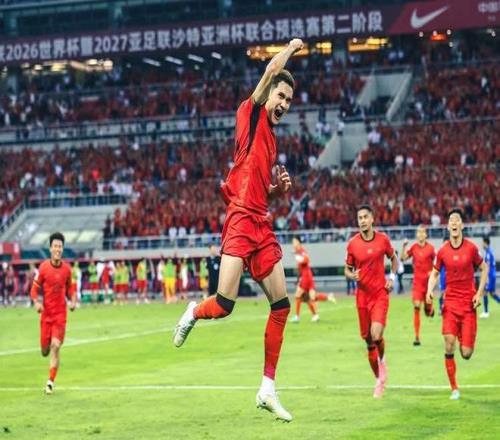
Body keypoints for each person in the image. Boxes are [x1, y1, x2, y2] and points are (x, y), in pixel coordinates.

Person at [173, 38, 304, 422]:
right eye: (281, 96)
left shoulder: (272, 139)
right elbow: (270, 70)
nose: (284, 103)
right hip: (240, 219)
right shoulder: (250, 112)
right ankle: (193, 312)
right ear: (269, 93)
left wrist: (277, 191)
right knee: (224, 304)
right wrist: (291, 48)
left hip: (261, 221)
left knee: (282, 306)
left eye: (289, 100)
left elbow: (260, 187)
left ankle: (267, 389)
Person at [426, 209, 488, 400]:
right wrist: (429, 290)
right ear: (448, 226)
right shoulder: (443, 251)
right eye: (451, 220)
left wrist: (479, 293)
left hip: (468, 305)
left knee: (466, 353)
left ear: (461, 225)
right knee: (448, 343)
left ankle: (463, 335)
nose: (454, 222)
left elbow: (484, 268)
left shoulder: (471, 248)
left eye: (457, 220)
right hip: (450, 304)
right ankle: (454, 388)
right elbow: (435, 273)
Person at [345, 205, 398, 398]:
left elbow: (394, 259)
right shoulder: (352, 244)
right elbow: (347, 269)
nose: (362, 221)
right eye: (359, 218)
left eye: (365, 217)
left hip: (379, 295)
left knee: (376, 334)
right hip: (362, 297)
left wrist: (392, 277)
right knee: (368, 340)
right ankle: (379, 380)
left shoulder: (383, 239)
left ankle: (382, 361)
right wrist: (352, 275)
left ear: (372, 219)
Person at [30, 232, 76, 394]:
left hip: (60, 315)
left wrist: (73, 301)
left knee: (55, 346)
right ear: (50, 248)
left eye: (60, 246)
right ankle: (47, 349)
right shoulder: (43, 268)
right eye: (55, 246)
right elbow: (34, 289)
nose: (58, 249)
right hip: (46, 315)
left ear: (62, 249)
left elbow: (71, 288)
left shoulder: (67, 269)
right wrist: (36, 302)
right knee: (45, 351)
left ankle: (50, 382)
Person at [401, 226, 436, 346]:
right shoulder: (413, 248)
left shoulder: (431, 249)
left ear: (426, 235)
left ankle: (430, 309)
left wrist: (433, 272)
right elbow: (403, 258)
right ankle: (417, 337)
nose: (420, 234)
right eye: (419, 232)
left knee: (427, 311)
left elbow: (438, 263)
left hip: (428, 284)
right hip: (417, 284)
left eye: (423, 232)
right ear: (416, 235)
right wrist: (404, 246)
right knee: (416, 306)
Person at [290, 236, 334, 323]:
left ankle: (297, 317)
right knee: (308, 298)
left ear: (298, 242)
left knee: (298, 295)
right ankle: (317, 312)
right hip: (306, 276)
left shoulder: (301, 251)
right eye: (293, 242)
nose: (293, 244)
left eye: (294, 242)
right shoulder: (298, 252)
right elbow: (299, 269)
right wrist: (297, 280)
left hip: (306, 276)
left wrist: (298, 257)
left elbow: (306, 260)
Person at [480, 236, 499, 318]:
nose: (482, 245)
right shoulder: (490, 251)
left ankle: (486, 312)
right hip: (492, 274)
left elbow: (487, 266)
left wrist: (486, 278)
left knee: (484, 291)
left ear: (485, 243)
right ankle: (486, 311)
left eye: (482, 243)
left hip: (490, 275)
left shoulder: (488, 253)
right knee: (492, 293)